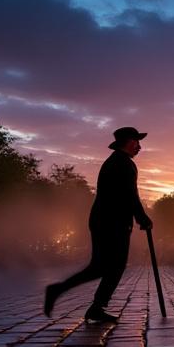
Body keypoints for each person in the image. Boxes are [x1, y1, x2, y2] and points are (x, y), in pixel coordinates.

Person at [45, 127, 152, 323]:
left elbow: (127, 194)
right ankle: (91, 304)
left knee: (101, 267)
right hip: (113, 222)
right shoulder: (124, 164)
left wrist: (139, 217)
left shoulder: (114, 162)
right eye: (137, 142)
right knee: (113, 266)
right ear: (129, 141)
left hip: (103, 220)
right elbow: (130, 194)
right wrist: (142, 218)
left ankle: (84, 301)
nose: (140, 147)